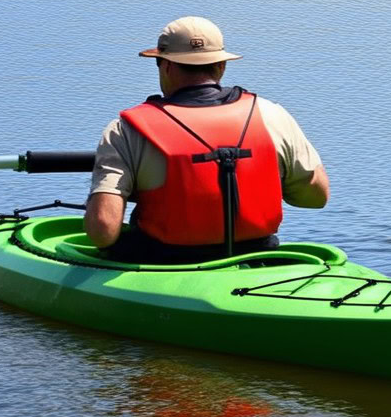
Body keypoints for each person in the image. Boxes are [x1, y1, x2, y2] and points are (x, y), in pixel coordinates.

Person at [84, 16, 329, 264]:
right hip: (259, 260)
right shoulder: (271, 114)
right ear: (221, 66)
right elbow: (316, 197)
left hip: (164, 266)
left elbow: (103, 231)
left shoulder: (126, 130)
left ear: (165, 66)